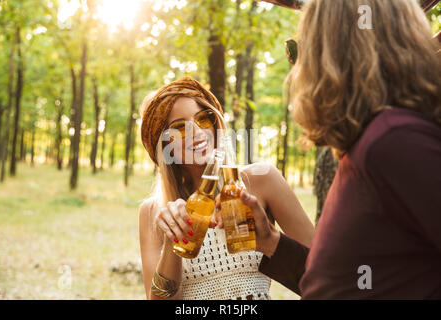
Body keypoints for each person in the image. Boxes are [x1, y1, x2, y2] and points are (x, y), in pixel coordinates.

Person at [229, 0, 441, 299]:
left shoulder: (393, 141)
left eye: (303, 47)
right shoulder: (374, 142)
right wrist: (270, 242)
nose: (297, 67)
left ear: (336, 54)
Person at [138, 77, 315, 300]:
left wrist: (270, 240)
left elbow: (324, 275)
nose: (196, 132)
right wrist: (173, 241)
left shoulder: (261, 181)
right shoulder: (153, 212)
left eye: (203, 118)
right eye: (180, 128)